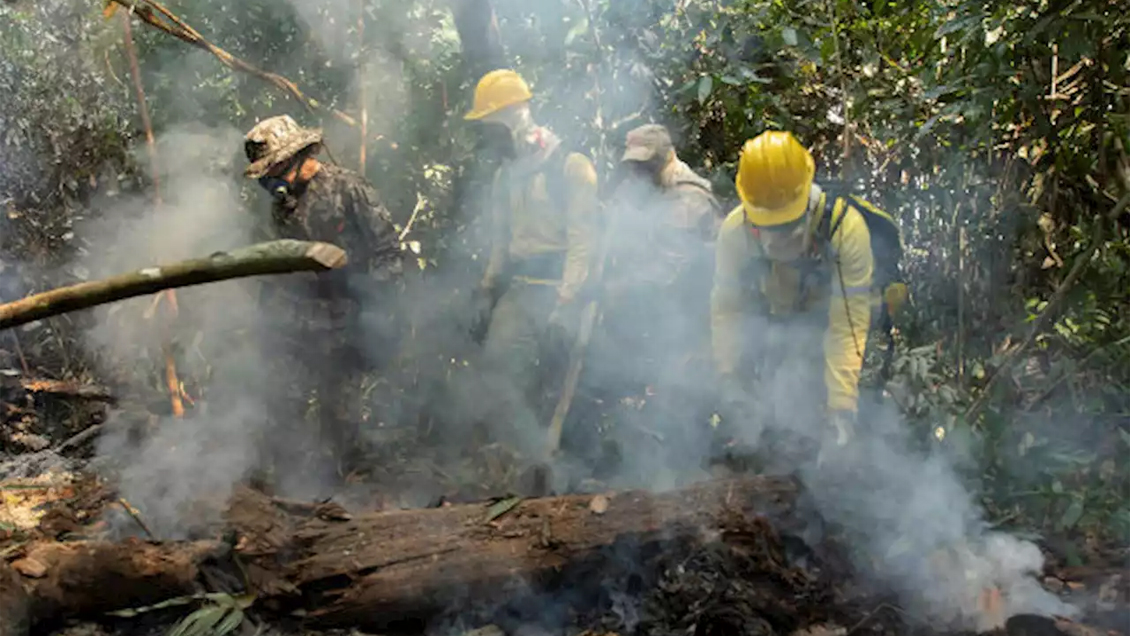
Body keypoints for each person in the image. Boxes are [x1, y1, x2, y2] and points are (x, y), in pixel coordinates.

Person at [243, 114, 403, 487]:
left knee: (339, 410)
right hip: (300, 320)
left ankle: (353, 485)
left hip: (350, 316)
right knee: (282, 399)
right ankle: (289, 483)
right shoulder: (282, 204)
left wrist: (371, 303)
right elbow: (284, 261)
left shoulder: (348, 188)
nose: (271, 181)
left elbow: (388, 252)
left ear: (298, 155)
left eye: (275, 169)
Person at [710, 130, 880, 465]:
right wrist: (729, 378)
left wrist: (842, 410)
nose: (774, 239)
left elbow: (847, 325)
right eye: (764, 225)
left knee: (827, 401)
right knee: (772, 400)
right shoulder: (734, 232)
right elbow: (727, 310)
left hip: (825, 318)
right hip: (774, 316)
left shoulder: (845, 230)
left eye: (785, 225)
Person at [463, 69, 600, 456]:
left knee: (563, 384)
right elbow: (500, 243)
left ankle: (575, 470)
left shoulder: (570, 165)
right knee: (500, 373)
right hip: (522, 289)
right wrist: (486, 291)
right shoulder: (504, 177)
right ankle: (522, 458)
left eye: (490, 127)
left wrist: (566, 304)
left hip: (564, 289)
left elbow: (583, 243)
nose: (487, 137)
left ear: (511, 120)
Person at [582, 124, 721, 486]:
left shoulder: (689, 199)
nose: (637, 172)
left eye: (645, 164)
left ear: (667, 156)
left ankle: (685, 470)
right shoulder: (647, 188)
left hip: (690, 310)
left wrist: (616, 288)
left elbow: (670, 271)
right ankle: (637, 459)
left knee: (681, 388)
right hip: (654, 312)